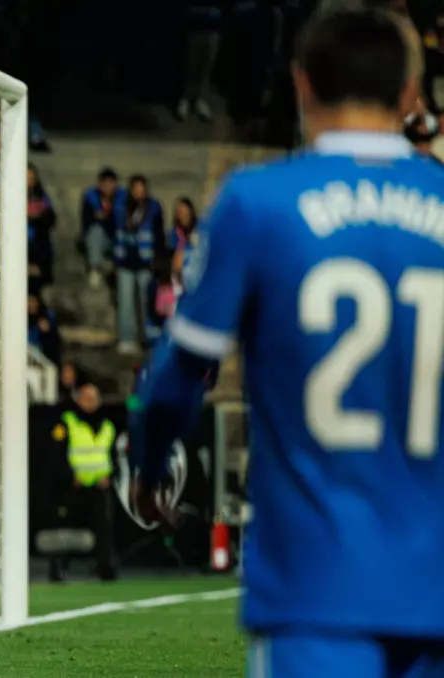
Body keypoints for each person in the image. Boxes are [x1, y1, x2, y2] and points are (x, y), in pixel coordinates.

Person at [133, 7, 444, 677]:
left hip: (314, 587)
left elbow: (180, 375)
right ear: (411, 94)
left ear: (301, 84)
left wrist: (149, 467)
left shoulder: (258, 202)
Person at [49, 382, 116, 582]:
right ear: (78, 400)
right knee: (66, 527)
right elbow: (56, 454)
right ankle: (60, 568)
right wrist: (70, 476)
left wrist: (110, 476)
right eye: (86, 398)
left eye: (94, 398)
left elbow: (114, 454)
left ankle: (106, 568)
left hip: (99, 485)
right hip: (74, 485)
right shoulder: (67, 422)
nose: (90, 402)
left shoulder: (107, 425)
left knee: (104, 528)